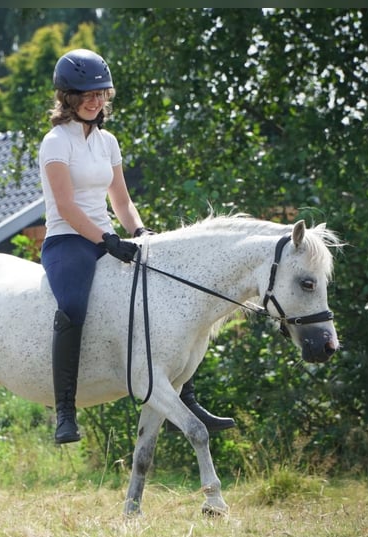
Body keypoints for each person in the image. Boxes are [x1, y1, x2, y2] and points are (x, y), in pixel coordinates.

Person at [39, 48, 234, 444]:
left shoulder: (108, 142)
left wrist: (140, 233)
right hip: (68, 241)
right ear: (68, 98)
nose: (95, 101)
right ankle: (64, 410)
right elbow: (66, 206)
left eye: (101, 94)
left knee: (164, 299)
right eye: (87, 95)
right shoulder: (56, 142)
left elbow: (121, 200)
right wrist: (106, 239)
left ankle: (187, 395)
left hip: (108, 238)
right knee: (73, 307)